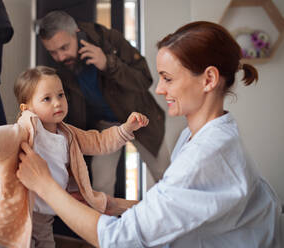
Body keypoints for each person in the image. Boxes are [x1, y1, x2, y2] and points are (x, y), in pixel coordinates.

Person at [16, 22, 282, 247]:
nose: (159, 90)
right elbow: (173, 204)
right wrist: (114, 205)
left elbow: (120, 239)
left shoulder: (205, 156)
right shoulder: (201, 136)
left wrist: (46, 187)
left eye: (168, 78)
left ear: (209, 79)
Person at [0, 66, 149, 248]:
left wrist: (126, 129)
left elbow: (100, 141)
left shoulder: (69, 134)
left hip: (47, 217)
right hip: (18, 216)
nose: (58, 102)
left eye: (61, 94)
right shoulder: (20, 134)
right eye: (47, 99)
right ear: (27, 108)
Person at [36, 10, 168, 196]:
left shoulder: (109, 39)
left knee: (165, 177)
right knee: (100, 187)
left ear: (77, 32)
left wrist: (108, 63)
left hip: (141, 119)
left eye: (64, 48)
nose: (60, 57)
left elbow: (144, 79)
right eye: (53, 52)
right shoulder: (58, 65)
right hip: (104, 127)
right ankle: (107, 226)